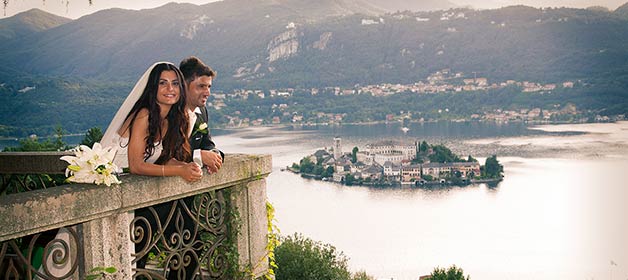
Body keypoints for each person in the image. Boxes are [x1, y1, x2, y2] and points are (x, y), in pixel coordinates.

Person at [101, 62, 202, 182]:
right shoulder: (144, 115)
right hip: (108, 181)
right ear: (153, 87)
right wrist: (180, 171)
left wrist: (185, 166)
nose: (170, 88)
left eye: (175, 83)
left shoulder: (168, 120)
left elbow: (161, 159)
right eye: (162, 83)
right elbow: (136, 166)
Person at [179, 56, 224, 173]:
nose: (207, 93)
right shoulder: (168, 113)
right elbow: (163, 155)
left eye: (209, 87)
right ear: (184, 86)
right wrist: (199, 156)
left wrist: (214, 155)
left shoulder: (202, 112)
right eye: (201, 86)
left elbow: (207, 144)